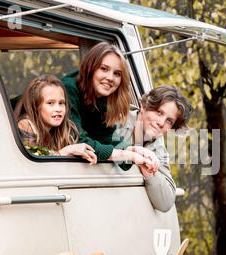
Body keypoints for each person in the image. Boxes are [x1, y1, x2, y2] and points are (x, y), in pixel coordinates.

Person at [61, 41, 158, 171]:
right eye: (104, 69)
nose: (110, 78)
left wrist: (135, 150)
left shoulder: (104, 100)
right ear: (90, 68)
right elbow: (76, 140)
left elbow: (105, 139)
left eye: (117, 73)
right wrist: (126, 155)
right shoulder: (67, 90)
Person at [117, 85, 192, 212]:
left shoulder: (158, 145)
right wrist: (132, 152)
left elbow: (166, 202)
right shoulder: (116, 120)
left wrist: (147, 169)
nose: (161, 122)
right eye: (159, 113)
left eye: (169, 121)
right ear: (144, 106)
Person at [14, 74, 97, 164]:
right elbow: (30, 161)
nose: (58, 109)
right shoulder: (26, 125)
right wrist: (64, 152)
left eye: (61, 103)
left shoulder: (66, 129)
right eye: (50, 103)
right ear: (35, 106)